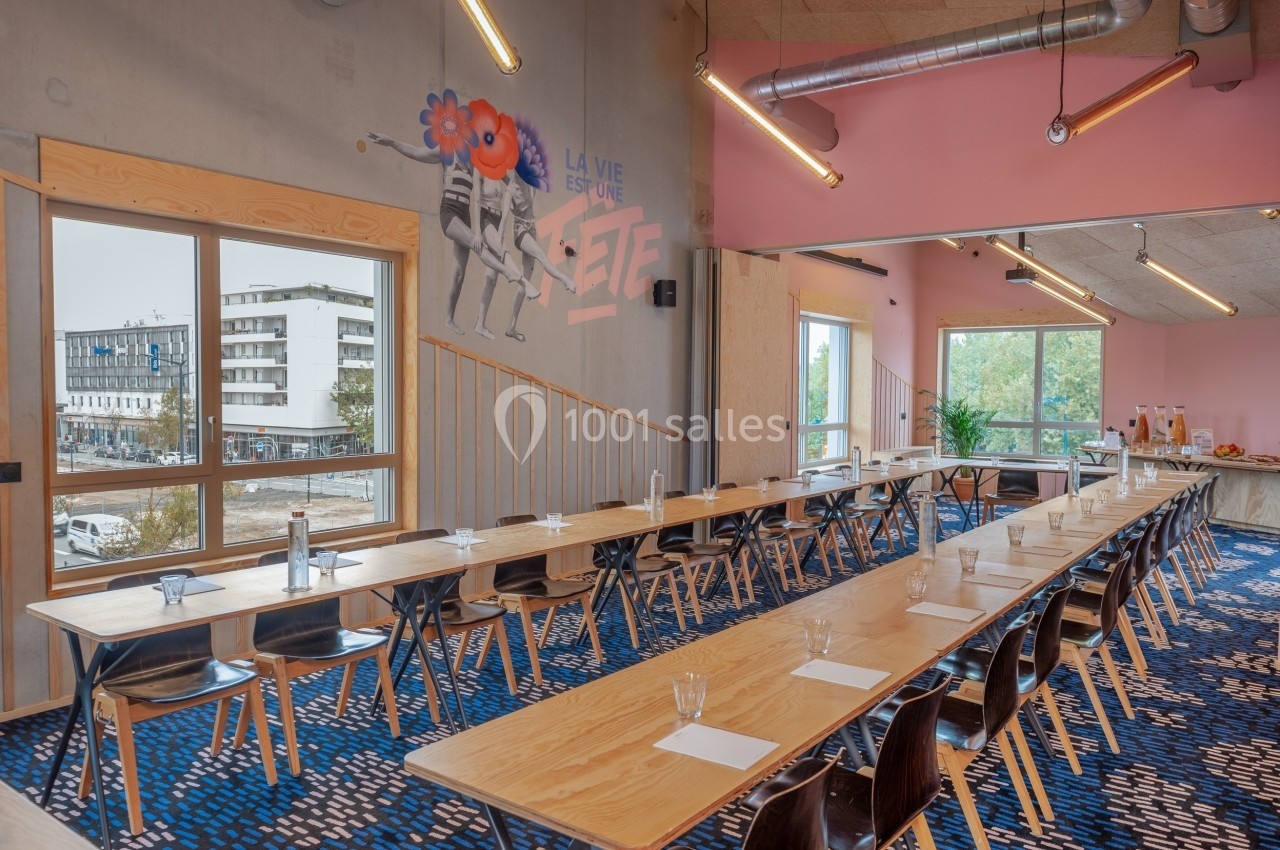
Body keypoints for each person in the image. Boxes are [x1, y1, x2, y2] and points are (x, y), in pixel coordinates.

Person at [366, 132, 539, 335]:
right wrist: (392, 141)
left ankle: (449, 318)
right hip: (449, 213)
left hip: (464, 215)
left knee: (459, 274)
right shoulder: (447, 153)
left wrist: (515, 188)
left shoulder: (474, 162)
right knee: (480, 247)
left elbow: (498, 171)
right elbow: (417, 152)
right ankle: (515, 276)